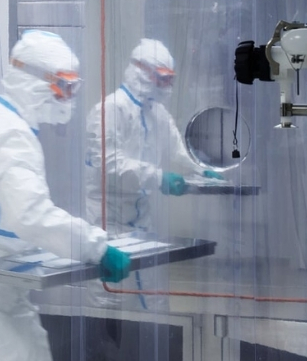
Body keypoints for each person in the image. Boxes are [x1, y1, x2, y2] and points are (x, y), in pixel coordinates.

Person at [0, 30, 132, 361]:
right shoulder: (8, 136)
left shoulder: (6, 125)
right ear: (31, 81)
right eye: (64, 86)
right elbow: (32, 216)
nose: (70, 98)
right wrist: (96, 248)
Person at [84, 38, 221, 310]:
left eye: (170, 79)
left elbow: (178, 150)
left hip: (141, 221)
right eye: (162, 79)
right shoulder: (109, 110)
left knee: (152, 299)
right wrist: (159, 178)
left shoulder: (157, 113)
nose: (167, 87)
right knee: (109, 300)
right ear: (141, 73)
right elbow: (110, 165)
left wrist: (202, 170)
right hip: (106, 221)